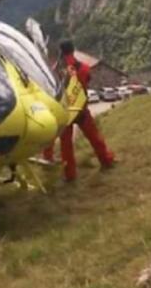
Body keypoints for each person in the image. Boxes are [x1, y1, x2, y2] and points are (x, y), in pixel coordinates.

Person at [45, 41, 116, 182]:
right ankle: (106, 161)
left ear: (61, 52)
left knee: (66, 145)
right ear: (73, 50)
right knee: (94, 137)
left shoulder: (56, 71)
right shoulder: (83, 67)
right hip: (81, 109)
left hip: (65, 112)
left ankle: (70, 175)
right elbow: (87, 79)